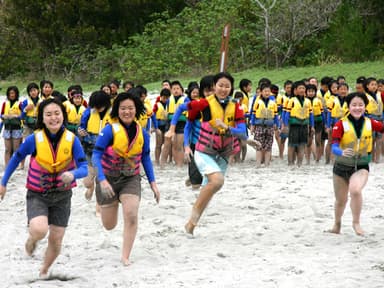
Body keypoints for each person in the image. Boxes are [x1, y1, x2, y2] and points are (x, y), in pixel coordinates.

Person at [0, 98, 88, 278]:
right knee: (40, 230)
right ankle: (32, 239)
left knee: (56, 240)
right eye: (48, 114)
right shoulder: (34, 139)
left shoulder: (72, 140)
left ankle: (44, 270)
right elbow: (16, 158)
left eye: (57, 113)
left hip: (63, 196)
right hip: (38, 193)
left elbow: (84, 167)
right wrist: (3, 183)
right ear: (42, 118)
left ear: (63, 115)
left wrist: (73, 174)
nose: (53, 118)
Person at [91, 91, 160, 266]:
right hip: (108, 178)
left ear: (136, 110)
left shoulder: (142, 133)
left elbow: (145, 158)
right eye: (123, 108)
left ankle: (125, 256)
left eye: (130, 108)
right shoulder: (109, 130)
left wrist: (153, 183)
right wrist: (101, 179)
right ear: (117, 110)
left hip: (131, 178)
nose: (127, 112)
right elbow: (96, 155)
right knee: (109, 225)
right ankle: (103, 202)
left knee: (131, 215)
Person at [183, 72, 248, 235]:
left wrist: (227, 128)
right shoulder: (204, 103)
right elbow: (184, 115)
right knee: (218, 180)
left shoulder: (236, 106)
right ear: (214, 86)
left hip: (224, 152)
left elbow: (242, 132)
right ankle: (193, 214)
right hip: (204, 150)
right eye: (220, 85)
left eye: (227, 86)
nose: (223, 89)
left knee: (211, 189)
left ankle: (191, 223)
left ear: (232, 88)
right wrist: (182, 141)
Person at [328, 92, 384, 236]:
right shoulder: (341, 124)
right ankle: (337, 223)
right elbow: (333, 146)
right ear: (348, 106)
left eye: (360, 105)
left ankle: (356, 223)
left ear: (365, 107)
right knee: (341, 200)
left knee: (355, 190)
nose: (357, 108)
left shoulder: (371, 122)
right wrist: (340, 152)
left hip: (361, 165)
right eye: (354, 105)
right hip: (341, 166)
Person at [78, 90, 111, 211]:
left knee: (100, 178)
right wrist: (80, 130)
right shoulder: (88, 112)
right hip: (89, 147)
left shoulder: (113, 113)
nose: (97, 109)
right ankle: (90, 188)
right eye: (95, 106)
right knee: (87, 181)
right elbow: (81, 126)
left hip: (105, 150)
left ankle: (99, 206)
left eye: (99, 106)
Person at [283, 81, 314, 166]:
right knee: (292, 144)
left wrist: (312, 126)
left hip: (304, 125)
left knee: (302, 144)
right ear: (295, 90)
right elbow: (286, 114)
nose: (302, 90)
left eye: (303, 88)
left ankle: (299, 163)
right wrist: (285, 125)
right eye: (300, 88)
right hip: (294, 125)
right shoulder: (291, 100)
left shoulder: (308, 101)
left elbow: (311, 115)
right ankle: (290, 162)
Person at [250, 83, 279, 167]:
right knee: (258, 145)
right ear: (261, 92)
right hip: (259, 125)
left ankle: (267, 164)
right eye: (265, 91)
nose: (267, 93)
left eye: (268, 91)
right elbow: (253, 115)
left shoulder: (273, 103)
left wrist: (277, 125)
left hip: (270, 126)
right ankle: (258, 164)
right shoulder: (257, 102)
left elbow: (276, 115)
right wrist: (252, 126)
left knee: (268, 145)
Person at [1, 86, 23, 168]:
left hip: (17, 128)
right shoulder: (4, 104)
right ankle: (7, 166)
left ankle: (15, 165)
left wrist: (15, 116)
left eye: (13, 93)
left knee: (16, 149)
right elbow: (1, 114)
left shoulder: (19, 104)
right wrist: (4, 116)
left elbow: (22, 115)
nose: (12, 95)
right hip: (7, 128)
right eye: (10, 93)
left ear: (16, 94)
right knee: (7, 149)